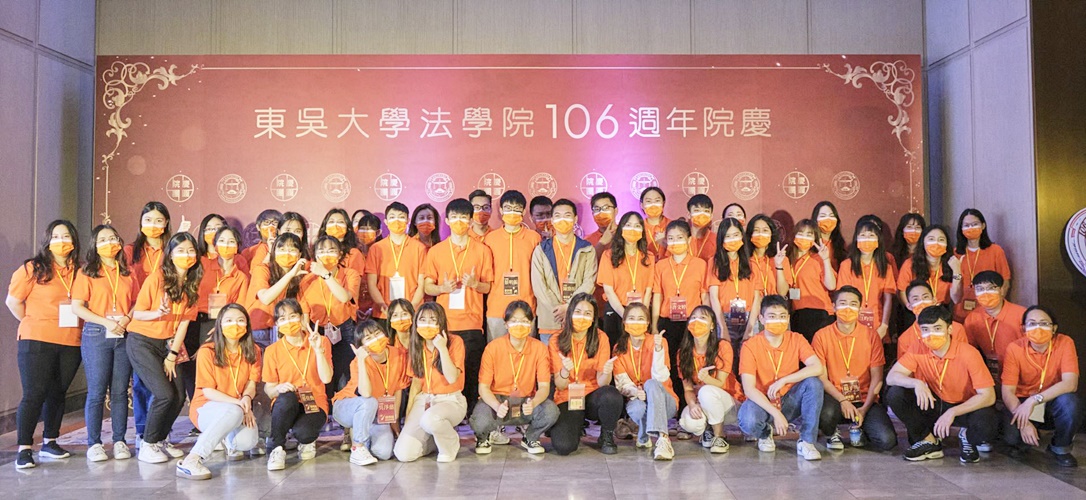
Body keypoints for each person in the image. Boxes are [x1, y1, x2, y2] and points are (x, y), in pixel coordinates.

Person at [6, 220, 84, 469]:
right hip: (37, 338)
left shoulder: (80, 270)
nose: (62, 241)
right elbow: (13, 302)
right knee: (34, 393)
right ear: (47, 241)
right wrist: (32, 321)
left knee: (58, 393)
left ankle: (50, 441)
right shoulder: (32, 268)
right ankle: (24, 448)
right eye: (56, 236)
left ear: (74, 241)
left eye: (66, 236)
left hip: (71, 339)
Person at [885, 305, 998, 463]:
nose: (931, 335)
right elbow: (891, 377)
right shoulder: (918, 347)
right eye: (925, 330)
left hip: (964, 406)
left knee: (988, 423)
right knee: (895, 394)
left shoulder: (969, 353)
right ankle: (929, 441)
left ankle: (966, 437)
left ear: (949, 329)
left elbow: (988, 395)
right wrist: (916, 383)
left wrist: (953, 412)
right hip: (935, 403)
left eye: (937, 328)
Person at [126, 232, 202, 464]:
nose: (186, 255)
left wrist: (172, 355)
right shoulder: (157, 278)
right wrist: (156, 313)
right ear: (170, 254)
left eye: (190, 251)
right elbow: (137, 314)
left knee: (178, 396)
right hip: (143, 341)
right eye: (181, 251)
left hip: (169, 344)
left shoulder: (191, 284)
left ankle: (159, 440)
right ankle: (147, 443)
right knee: (164, 394)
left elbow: (184, 324)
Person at [70, 224, 139, 462]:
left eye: (113, 238)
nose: (109, 243)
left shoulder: (128, 272)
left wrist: (126, 319)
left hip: (123, 333)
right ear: (95, 245)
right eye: (103, 240)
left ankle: (119, 440)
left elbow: (137, 302)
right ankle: (94, 443)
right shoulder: (87, 272)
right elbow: (77, 307)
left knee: (120, 391)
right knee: (97, 391)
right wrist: (105, 322)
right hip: (97, 333)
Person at [422, 198, 494, 412]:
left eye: (463, 217)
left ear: (471, 221)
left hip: (472, 323)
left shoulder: (482, 250)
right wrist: (442, 288)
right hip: (445, 324)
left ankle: (469, 412)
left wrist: (475, 284)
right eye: (454, 217)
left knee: (471, 371)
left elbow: (488, 287)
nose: (459, 222)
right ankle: (447, 410)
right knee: (444, 369)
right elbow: (427, 287)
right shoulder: (436, 251)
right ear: (447, 220)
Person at [176, 304, 262, 480]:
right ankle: (192, 459)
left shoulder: (254, 350)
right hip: (206, 408)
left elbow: (252, 384)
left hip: (237, 407)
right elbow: (208, 392)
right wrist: (240, 404)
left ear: (247, 325)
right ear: (220, 324)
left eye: (240, 320)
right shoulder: (208, 351)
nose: (235, 325)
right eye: (229, 320)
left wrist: (246, 398)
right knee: (233, 411)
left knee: (247, 442)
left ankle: (226, 437)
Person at [737, 295, 825, 461]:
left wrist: (785, 380)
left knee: (814, 383)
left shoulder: (797, 339)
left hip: (789, 399)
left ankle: (807, 441)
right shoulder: (750, 345)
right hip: (763, 402)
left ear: (788, 318)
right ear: (761, 319)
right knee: (748, 420)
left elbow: (817, 367)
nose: (778, 320)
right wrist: (776, 414)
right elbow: (749, 389)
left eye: (782, 316)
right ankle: (765, 433)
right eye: (772, 316)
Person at [812, 286, 897, 452]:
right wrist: (842, 400)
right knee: (826, 415)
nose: (847, 308)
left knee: (887, 440)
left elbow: (877, 378)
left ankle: (859, 427)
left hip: (864, 399)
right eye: (842, 303)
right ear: (834, 307)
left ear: (860, 309)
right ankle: (832, 432)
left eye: (853, 304)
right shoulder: (821, 336)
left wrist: (864, 409)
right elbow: (821, 377)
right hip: (835, 398)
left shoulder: (871, 336)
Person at [471, 301, 559, 455]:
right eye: (514, 321)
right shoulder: (493, 348)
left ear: (531, 324)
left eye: (524, 321)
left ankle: (530, 437)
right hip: (498, 400)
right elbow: (483, 388)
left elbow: (544, 387)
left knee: (551, 411)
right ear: (505, 324)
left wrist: (534, 403)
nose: (519, 325)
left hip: (526, 401)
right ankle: (483, 437)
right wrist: (496, 406)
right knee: (480, 419)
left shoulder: (539, 348)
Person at [1001, 306, 1081, 467]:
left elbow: (1070, 383)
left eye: (1044, 323)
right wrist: (1024, 422)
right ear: (1023, 328)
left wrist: (1034, 400)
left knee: (1070, 403)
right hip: (1023, 403)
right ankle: (1027, 438)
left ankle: (1060, 447)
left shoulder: (1065, 342)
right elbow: (1008, 391)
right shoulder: (1015, 348)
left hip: (1052, 399)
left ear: (1054, 328)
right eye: (1032, 323)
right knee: (1012, 438)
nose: (1038, 328)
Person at [262, 299, 333, 470]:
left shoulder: (321, 341)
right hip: (287, 403)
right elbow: (269, 389)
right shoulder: (272, 350)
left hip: (314, 402)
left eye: (292, 316)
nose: (288, 322)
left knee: (304, 433)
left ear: (301, 318)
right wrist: (277, 388)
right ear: (277, 324)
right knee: (286, 398)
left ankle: (306, 441)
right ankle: (277, 448)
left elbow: (326, 378)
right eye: (282, 319)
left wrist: (318, 351)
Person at [548, 293, 623, 455]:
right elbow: (560, 384)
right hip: (567, 397)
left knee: (611, 395)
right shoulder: (556, 340)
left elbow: (602, 383)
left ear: (594, 318)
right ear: (569, 314)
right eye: (578, 312)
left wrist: (606, 372)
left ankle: (606, 435)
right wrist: (564, 371)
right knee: (564, 447)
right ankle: (575, 424)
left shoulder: (601, 338)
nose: (582, 317)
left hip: (591, 396)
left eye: (588, 313)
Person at [394, 302, 468, 463]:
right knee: (403, 454)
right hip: (424, 398)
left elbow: (452, 378)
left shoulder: (455, 341)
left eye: (432, 319)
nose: (427, 324)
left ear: (441, 322)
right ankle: (435, 441)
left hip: (451, 400)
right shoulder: (416, 346)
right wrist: (408, 418)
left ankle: (450, 445)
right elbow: (415, 384)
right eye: (422, 320)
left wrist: (442, 349)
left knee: (430, 420)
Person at [184, 225, 249, 402]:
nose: (226, 245)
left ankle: (215, 406)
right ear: (215, 244)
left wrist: (220, 327)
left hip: (221, 325)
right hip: (195, 321)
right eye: (222, 241)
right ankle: (197, 407)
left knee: (214, 367)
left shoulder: (241, 277)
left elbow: (240, 307)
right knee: (192, 367)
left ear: (237, 246)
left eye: (231, 241)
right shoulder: (202, 265)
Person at [331, 320, 410, 466]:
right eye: (368, 338)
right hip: (347, 406)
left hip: (377, 413)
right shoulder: (358, 361)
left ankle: (363, 432)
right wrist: (361, 360)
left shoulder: (398, 355)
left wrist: (395, 425)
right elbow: (366, 393)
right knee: (369, 401)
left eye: (377, 333)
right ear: (361, 345)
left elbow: (398, 389)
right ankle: (358, 447)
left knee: (384, 453)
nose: (375, 339)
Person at [651, 219, 708, 413]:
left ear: (689, 239)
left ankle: (689, 407)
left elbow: (704, 296)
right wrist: (654, 325)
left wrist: (707, 323)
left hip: (693, 323)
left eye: (680, 238)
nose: (675, 242)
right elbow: (657, 296)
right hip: (667, 322)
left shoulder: (700, 265)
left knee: (688, 364)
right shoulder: (661, 266)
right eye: (671, 238)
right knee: (669, 365)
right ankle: (672, 407)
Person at [299, 235, 361, 410]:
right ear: (315, 255)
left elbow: (344, 297)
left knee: (344, 373)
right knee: (321, 371)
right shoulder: (307, 279)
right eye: (322, 251)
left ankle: (343, 413)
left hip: (344, 328)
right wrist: (308, 335)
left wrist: (326, 275)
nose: (326, 254)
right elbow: (304, 313)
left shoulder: (350, 274)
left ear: (340, 254)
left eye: (331, 250)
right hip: (316, 330)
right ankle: (323, 411)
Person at [613, 303, 678, 459]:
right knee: (636, 409)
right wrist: (636, 392)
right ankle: (643, 435)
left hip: (664, 401)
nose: (636, 322)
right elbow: (621, 383)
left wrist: (658, 351)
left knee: (651, 384)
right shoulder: (619, 347)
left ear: (648, 323)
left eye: (641, 318)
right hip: (638, 398)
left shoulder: (658, 342)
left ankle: (663, 439)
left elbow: (661, 377)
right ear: (624, 322)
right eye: (631, 318)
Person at [531, 198, 597, 345]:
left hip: (578, 320)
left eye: (567, 215)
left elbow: (589, 282)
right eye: (558, 216)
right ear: (552, 220)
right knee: (549, 359)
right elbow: (539, 286)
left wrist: (569, 307)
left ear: (575, 219)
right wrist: (558, 310)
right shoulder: (541, 250)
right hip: (550, 320)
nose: (562, 220)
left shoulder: (587, 249)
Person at [676, 306, 740, 453]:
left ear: (712, 326)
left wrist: (706, 379)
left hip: (729, 404)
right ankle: (707, 429)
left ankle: (719, 436)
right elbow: (688, 388)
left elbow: (720, 383)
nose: (696, 321)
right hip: (702, 400)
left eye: (702, 318)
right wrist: (692, 404)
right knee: (689, 422)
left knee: (706, 391)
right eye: (693, 318)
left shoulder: (722, 346)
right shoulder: (683, 352)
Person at [483, 190, 542, 341]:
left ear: (523, 211)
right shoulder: (490, 239)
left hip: (527, 307)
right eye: (508, 208)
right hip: (496, 308)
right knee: (497, 352)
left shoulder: (534, 238)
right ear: (501, 210)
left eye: (517, 209)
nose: (512, 212)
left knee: (526, 352)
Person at [597, 211, 655, 349]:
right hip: (616, 310)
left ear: (642, 231)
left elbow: (648, 290)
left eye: (637, 226)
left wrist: (641, 315)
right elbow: (609, 291)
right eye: (628, 225)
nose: (632, 229)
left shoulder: (649, 257)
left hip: (640, 314)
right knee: (615, 349)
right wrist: (626, 316)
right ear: (621, 228)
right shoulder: (608, 255)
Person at [707, 218, 762, 362]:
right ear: (721, 239)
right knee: (726, 360)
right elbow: (713, 297)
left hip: (749, 317)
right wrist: (722, 327)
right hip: (724, 317)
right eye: (728, 236)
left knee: (748, 360)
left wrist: (750, 327)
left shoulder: (752, 264)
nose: (733, 239)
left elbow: (757, 297)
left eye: (736, 235)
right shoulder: (714, 262)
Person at [246, 233, 313, 346]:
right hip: (259, 331)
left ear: (299, 255)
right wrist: (290, 275)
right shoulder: (262, 269)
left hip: (285, 330)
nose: (286, 253)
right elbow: (266, 298)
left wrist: (305, 335)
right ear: (274, 252)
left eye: (292, 250)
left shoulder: (301, 275)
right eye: (282, 249)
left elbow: (303, 309)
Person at [367, 202, 427, 326]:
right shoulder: (376, 249)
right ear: (386, 222)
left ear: (408, 220)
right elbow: (371, 283)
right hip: (383, 313)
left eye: (401, 217)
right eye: (392, 217)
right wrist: (382, 305)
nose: (397, 221)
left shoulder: (419, 248)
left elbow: (422, 284)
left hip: (411, 312)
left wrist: (411, 308)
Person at [836, 218, 896, 341]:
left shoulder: (886, 267)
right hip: (852, 322)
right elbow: (843, 296)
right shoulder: (847, 265)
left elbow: (888, 299)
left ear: (878, 240)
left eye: (871, 235)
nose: (866, 239)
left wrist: (884, 325)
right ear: (856, 239)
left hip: (878, 322)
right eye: (862, 235)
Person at [963, 271, 1026, 379]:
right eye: (980, 289)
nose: (985, 293)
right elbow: (969, 350)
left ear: (1002, 290)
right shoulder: (972, 318)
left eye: (991, 288)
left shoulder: (1022, 314)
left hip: (1021, 371)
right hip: (989, 374)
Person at [954, 209, 1012, 323]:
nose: (971, 228)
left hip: (989, 311)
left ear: (983, 225)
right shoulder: (955, 253)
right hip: (961, 312)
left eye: (975, 224)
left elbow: (1005, 282)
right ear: (961, 228)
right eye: (966, 225)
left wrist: (994, 308)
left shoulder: (996, 251)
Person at [785, 219, 836, 340]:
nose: (804, 237)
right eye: (801, 233)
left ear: (815, 238)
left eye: (809, 234)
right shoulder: (787, 259)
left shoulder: (818, 259)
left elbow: (831, 286)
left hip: (820, 313)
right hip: (797, 313)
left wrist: (826, 260)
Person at [897, 225, 962, 308]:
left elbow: (956, 299)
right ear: (923, 242)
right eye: (931, 239)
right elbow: (902, 291)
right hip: (916, 309)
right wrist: (911, 308)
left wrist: (956, 271)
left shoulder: (952, 264)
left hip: (942, 310)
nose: (936, 243)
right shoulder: (910, 264)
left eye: (941, 239)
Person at [897, 281, 966, 358]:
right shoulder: (904, 339)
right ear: (909, 306)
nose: (922, 302)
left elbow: (965, 357)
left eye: (925, 297)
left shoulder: (956, 328)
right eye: (916, 299)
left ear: (934, 301)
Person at [746, 214, 790, 297]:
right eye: (756, 230)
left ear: (771, 234)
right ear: (750, 234)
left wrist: (779, 266)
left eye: (765, 230)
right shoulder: (744, 260)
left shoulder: (782, 259)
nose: (760, 234)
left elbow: (783, 292)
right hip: (752, 303)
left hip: (774, 304)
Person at [812, 201, 847, 271]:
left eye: (831, 216)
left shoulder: (840, 244)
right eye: (823, 216)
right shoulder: (810, 243)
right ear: (815, 220)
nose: (828, 219)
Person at [640, 187, 669, 260]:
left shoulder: (673, 226)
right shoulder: (638, 227)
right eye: (648, 201)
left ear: (663, 203)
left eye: (657, 200)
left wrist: (665, 243)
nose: (653, 205)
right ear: (642, 205)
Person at [686, 194, 717, 262]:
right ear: (689, 215)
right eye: (697, 210)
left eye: (706, 211)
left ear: (711, 216)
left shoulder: (716, 240)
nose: (701, 214)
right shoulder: (681, 238)